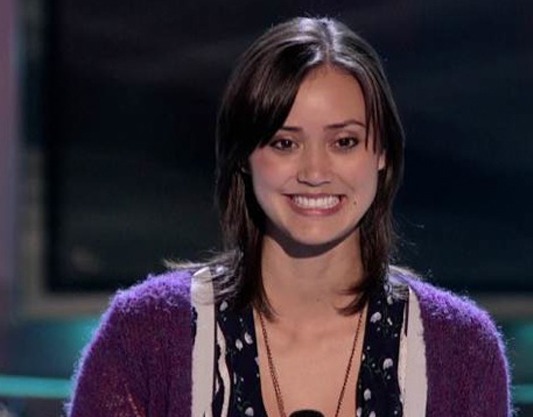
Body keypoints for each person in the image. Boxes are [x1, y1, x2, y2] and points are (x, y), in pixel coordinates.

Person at [68, 17, 510, 417]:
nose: (315, 173)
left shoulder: (462, 349)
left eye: (344, 142)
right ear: (244, 158)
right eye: (285, 143)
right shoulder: (144, 335)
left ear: (383, 155)